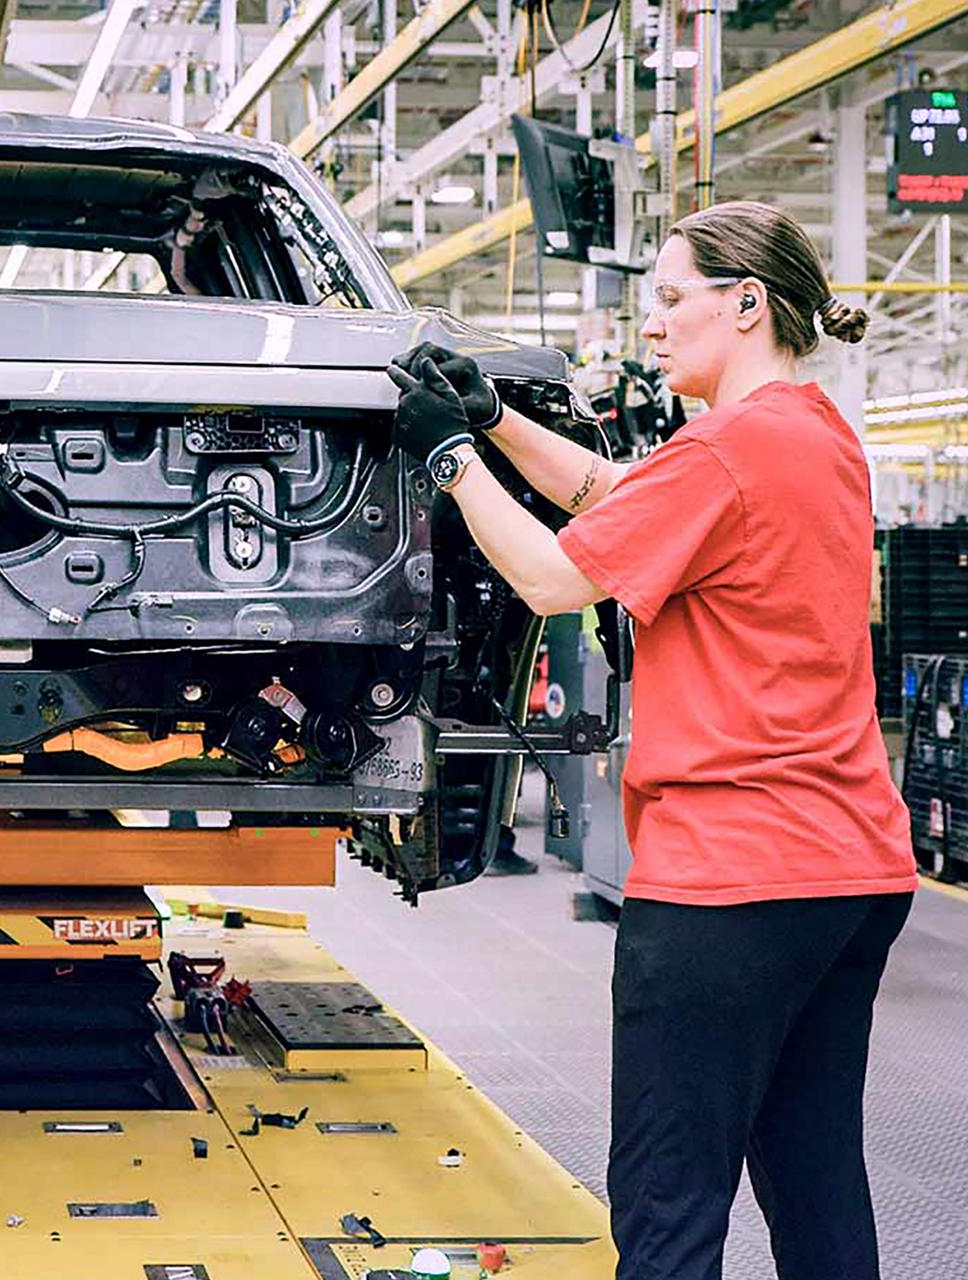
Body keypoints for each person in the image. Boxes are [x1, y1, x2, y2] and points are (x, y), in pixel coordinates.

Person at [388, 200, 917, 1280]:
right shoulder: (814, 435)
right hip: (850, 869)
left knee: (668, 1201)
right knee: (817, 1182)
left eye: (674, 299)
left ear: (748, 302)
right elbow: (615, 493)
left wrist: (448, 459)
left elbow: (549, 574)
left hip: (731, 880)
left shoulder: (724, 448)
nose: (655, 326)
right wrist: (492, 419)